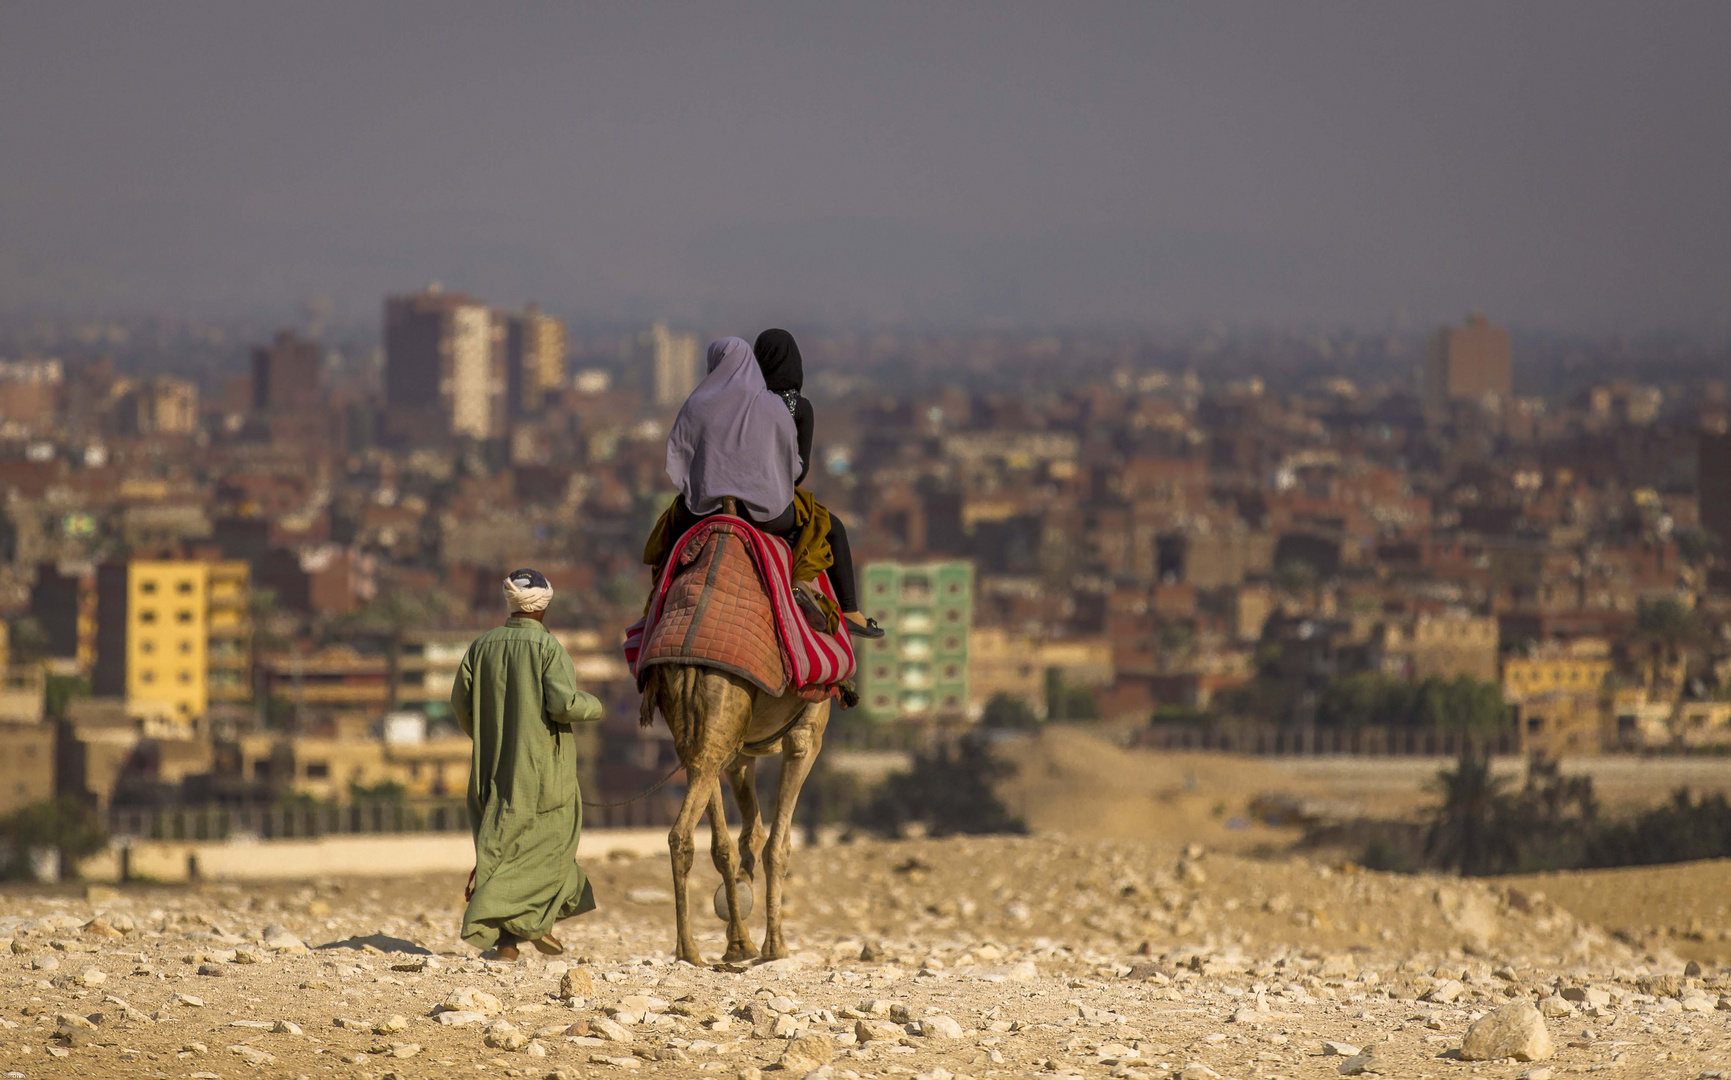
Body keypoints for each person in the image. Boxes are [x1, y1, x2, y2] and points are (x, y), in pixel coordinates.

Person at [663, 337, 882, 638]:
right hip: (765, 514)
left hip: (704, 513)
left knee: (667, 534)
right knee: (822, 527)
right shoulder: (775, 406)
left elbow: (678, 458)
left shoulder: (697, 403)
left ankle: (658, 602)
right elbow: (794, 469)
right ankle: (835, 602)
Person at [452, 568, 604, 962]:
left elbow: (460, 703)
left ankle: (509, 942)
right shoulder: (548, 649)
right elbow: (563, 704)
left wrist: (487, 738)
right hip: (543, 773)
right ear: (544, 604)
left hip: (493, 769)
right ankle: (532, 925)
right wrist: (595, 704)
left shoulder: (481, 647)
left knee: (501, 852)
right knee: (551, 851)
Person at [751, 328, 878, 637]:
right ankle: (851, 612)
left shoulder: (746, 403)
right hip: (775, 505)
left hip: (730, 502)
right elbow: (800, 471)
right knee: (831, 527)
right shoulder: (798, 408)